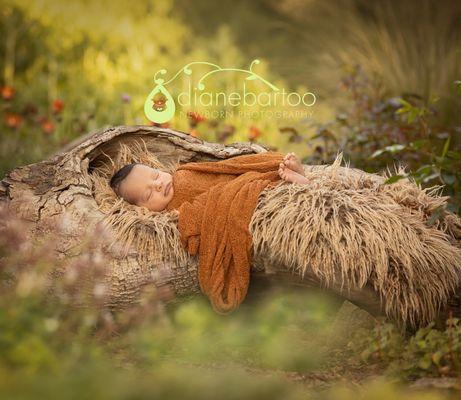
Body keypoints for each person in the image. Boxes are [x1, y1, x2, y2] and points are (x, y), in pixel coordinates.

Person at [109, 152, 308, 212]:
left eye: (155, 175)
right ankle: (295, 183)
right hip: (231, 197)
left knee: (247, 174)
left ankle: (283, 173)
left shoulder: (182, 172)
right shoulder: (172, 214)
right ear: (143, 210)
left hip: (233, 180)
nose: (158, 184)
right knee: (257, 196)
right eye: (148, 194)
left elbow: (221, 168)